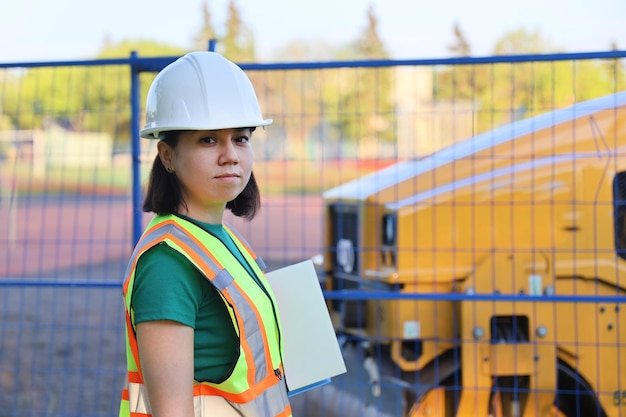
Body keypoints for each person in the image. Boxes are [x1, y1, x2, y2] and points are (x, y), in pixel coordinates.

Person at [119, 51, 292, 417]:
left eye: (241, 138)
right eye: (209, 140)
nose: (231, 155)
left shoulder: (221, 241)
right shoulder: (167, 263)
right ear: (167, 155)